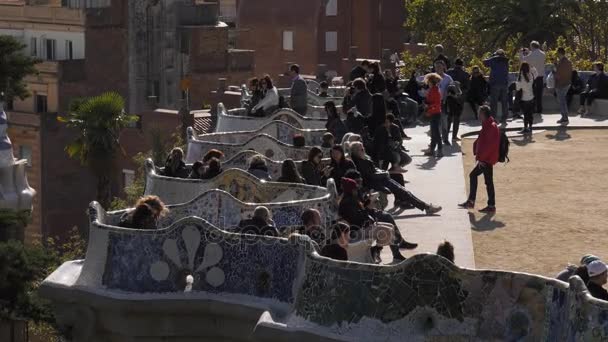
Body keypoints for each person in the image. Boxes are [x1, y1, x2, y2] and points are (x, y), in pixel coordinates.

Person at [350, 141, 442, 214]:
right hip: (375, 182)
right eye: (360, 149)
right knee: (402, 191)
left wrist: (384, 172)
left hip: (380, 178)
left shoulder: (364, 158)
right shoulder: (358, 162)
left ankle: (401, 200)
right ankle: (426, 207)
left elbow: (374, 169)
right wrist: (385, 173)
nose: (363, 150)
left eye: (362, 148)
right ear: (354, 151)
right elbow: (369, 175)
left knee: (399, 178)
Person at [338, 178, 406, 263]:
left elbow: (360, 213)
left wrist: (367, 204)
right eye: (355, 189)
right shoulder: (347, 202)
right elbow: (357, 219)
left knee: (391, 227)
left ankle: (382, 251)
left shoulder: (352, 199)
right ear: (350, 190)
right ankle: (376, 250)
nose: (357, 190)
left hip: (363, 226)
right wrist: (368, 210)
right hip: (356, 230)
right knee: (386, 231)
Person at [459, 105, 500, 213]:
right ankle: (490, 205)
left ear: (484, 114)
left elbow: (490, 145)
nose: (478, 114)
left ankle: (473, 201)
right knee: (488, 181)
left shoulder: (491, 126)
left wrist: (482, 158)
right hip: (486, 159)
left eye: (479, 113)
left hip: (486, 160)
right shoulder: (488, 125)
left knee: (474, 176)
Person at [483, 49, 510, 123]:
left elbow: (484, 62)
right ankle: (504, 118)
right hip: (504, 83)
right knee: (504, 102)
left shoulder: (494, 59)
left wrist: (492, 56)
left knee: (494, 102)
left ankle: (493, 118)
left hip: (495, 83)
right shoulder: (506, 61)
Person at [520, 41, 546, 113]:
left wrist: (521, 53)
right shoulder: (543, 54)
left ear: (532, 46)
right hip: (540, 77)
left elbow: (523, 60)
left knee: (533, 94)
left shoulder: (531, 55)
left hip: (533, 77)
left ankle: (533, 109)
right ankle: (539, 109)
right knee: (539, 94)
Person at [433, 60, 454, 145]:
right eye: (436, 67)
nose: (438, 68)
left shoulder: (448, 78)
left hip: (443, 102)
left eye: (440, 66)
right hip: (434, 102)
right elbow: (421, 80)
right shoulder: (432, 77)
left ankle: (445, 139)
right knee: (435, 123)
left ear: (443, 67)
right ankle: (435, 139)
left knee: (444, 122)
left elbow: (453, 88)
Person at [423, 73, 443, 158]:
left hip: (434, 113)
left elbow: (436, 103)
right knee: (434, 132)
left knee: (436, 133)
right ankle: (432, 149)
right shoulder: (434, 89)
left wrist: (428, 108)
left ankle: (439, 150)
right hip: (434, 112)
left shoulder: (434, 90)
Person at [516, 62, 536, 134]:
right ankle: (530, 127)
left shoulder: (521, 77)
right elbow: (535, 75)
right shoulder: (530, 75)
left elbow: (518, 88)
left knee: (525, 114)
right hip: (531, 97)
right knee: (530, 114)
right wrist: (533, 68)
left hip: (524, 98)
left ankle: (525, 128)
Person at [554, 47, 573, 124]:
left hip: (562, 83)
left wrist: (555, 70)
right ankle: (564, 117)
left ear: (559, 53)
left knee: (562, 101)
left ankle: (565, 117)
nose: (557, 55)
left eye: (557, 53)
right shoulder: (566, 61)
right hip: (565, 83)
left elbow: (559, 73)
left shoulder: (563, 62)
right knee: (562, 100)